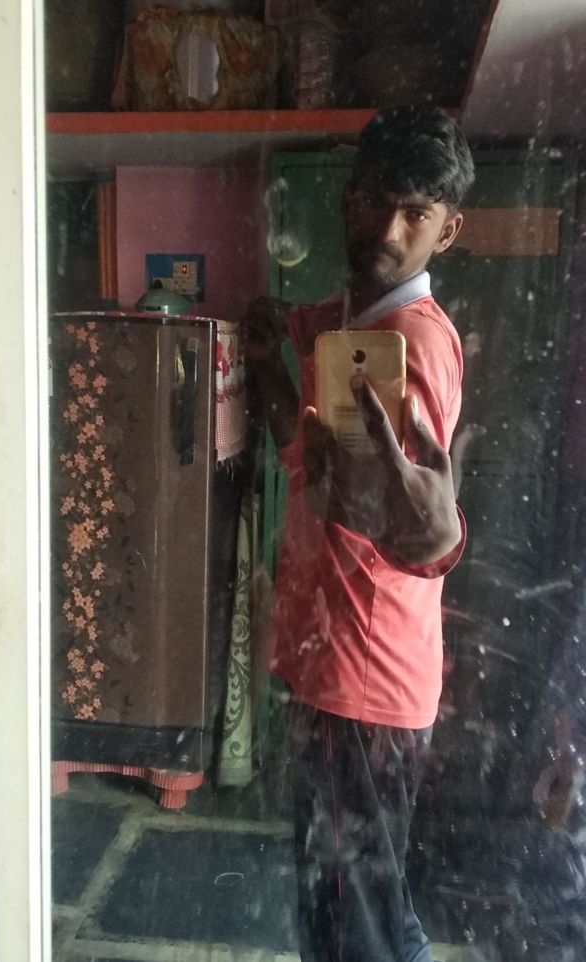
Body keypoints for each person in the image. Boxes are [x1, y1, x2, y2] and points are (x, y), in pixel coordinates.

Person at [242, 106, 475, 962]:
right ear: (349, 199)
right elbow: (309, 466)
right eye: (377, 200)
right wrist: (270, 358)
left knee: (350, 926)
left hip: (360, 676)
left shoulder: (406, 340)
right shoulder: (351, 323)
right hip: (342, 664)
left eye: (415, 213)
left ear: (447, 232)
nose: (388, 230)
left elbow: (408, 521)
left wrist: (438, 536)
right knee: (367, 908)